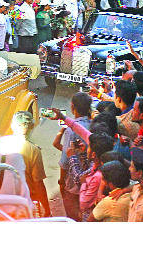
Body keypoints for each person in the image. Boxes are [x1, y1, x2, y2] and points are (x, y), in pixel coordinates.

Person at [0, 111, 51, 217]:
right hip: (25, 200)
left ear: (13, 126)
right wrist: (47, 209)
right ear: (32, 127)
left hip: (2, 199)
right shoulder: (34, 150)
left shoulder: (0, 142)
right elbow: (38, 183)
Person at [51, 92, 92, 222]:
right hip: (92, 183)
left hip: (74, 186)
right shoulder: (95, 124)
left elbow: (65, 162)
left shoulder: (71, 131)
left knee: (74, 218)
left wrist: (62, 183)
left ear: (72, 106)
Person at [78, 132, 114, 221]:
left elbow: (83, 205)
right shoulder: (96, 167)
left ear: (93, 154)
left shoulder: (98, 176)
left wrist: (83, 183)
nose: (87, 149)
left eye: (89, 147)